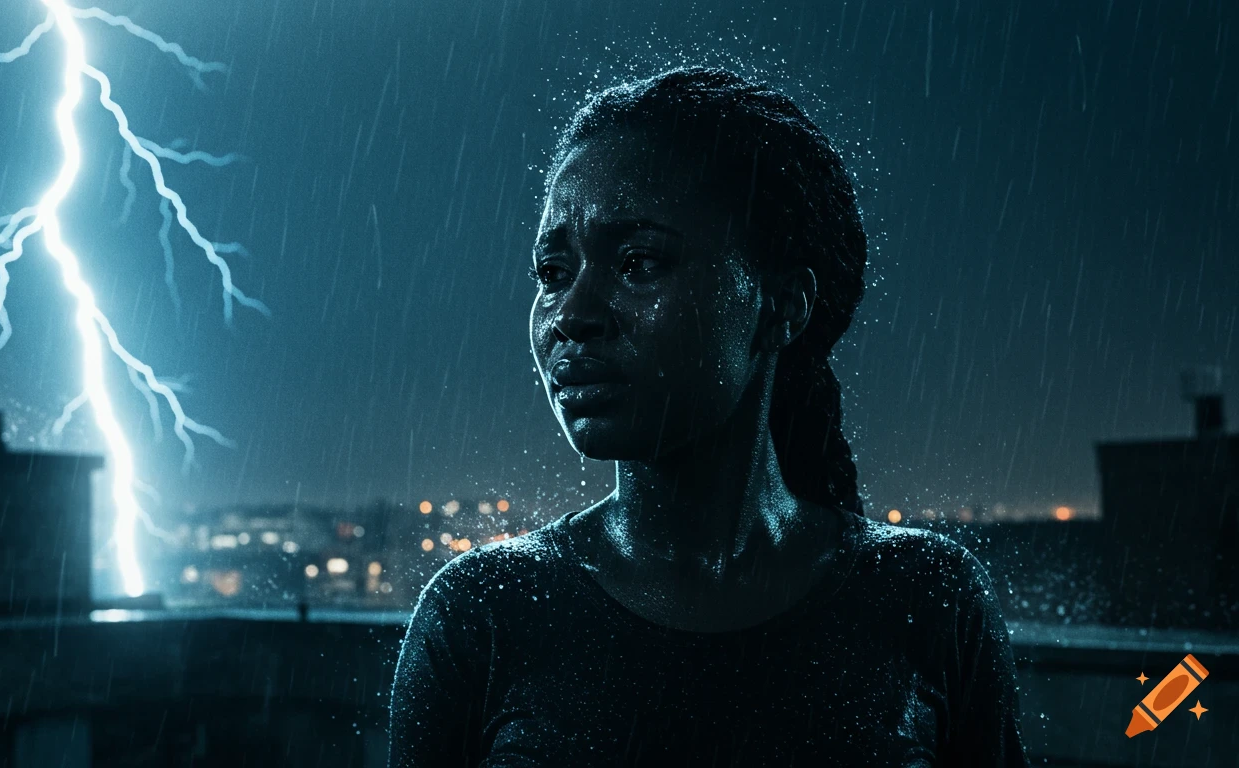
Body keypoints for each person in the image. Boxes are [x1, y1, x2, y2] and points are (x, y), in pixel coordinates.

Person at [388, 66, 1030, 767]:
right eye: (553, 272)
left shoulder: (928, 600)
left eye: (638, 263)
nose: (571, 315)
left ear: (781, 306)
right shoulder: (481, 615)